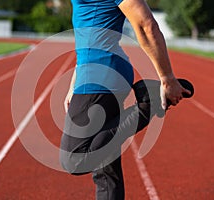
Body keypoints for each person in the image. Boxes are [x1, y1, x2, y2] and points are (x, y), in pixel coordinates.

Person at [60, 0, 192, 199]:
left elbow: (146, 25)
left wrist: (167, 78)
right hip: (96, 72)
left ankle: (149, 104)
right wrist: (75, 81)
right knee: (105, 169)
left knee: (74, 159)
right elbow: (88, 29)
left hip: (100, 74)